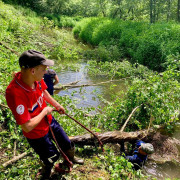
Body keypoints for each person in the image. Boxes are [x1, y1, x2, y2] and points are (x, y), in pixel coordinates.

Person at [6, 50, 84, 179]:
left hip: (49, 121)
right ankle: (46, 173)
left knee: (66, 143)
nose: (46, 72)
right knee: (51, 156)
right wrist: (44, 111)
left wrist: (56, 105)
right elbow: (27, 126)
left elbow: (44, 92)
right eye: (43, 69)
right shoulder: (15, 93)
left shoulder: (36, 79)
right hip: (36, 133)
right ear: (33, 70)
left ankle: (69, 159)